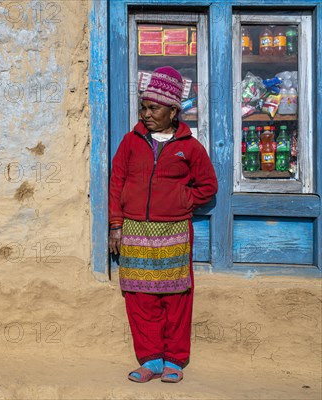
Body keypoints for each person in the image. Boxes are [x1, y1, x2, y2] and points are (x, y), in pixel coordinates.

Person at [108, 66, 218, 383]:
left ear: (173, 111)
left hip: (174, 232)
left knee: (176, 296)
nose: (146, 114)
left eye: (154, 108)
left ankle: (175, 361)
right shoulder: (130, 142)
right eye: (143, 107)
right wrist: (116, 225)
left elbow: (207, 186)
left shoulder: (190, 147)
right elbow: (116, 183)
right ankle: (151, 360)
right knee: (140, 296)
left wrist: (182, 200)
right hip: (135, 231)